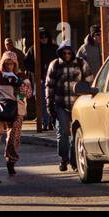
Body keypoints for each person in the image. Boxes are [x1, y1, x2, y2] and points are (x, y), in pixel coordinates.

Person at [44, 43, 87, 171]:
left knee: (76, 134)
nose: (67, 55)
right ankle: (63, 159)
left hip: (78, 105)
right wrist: (49, 104)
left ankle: (74, 162)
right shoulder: (55, 65)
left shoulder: (81, 63)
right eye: (64, 53)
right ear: (60, 53)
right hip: (60, 104)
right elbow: (49, 85)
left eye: (69, 53)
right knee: (62, 133)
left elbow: (89, 80)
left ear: (72, 53)